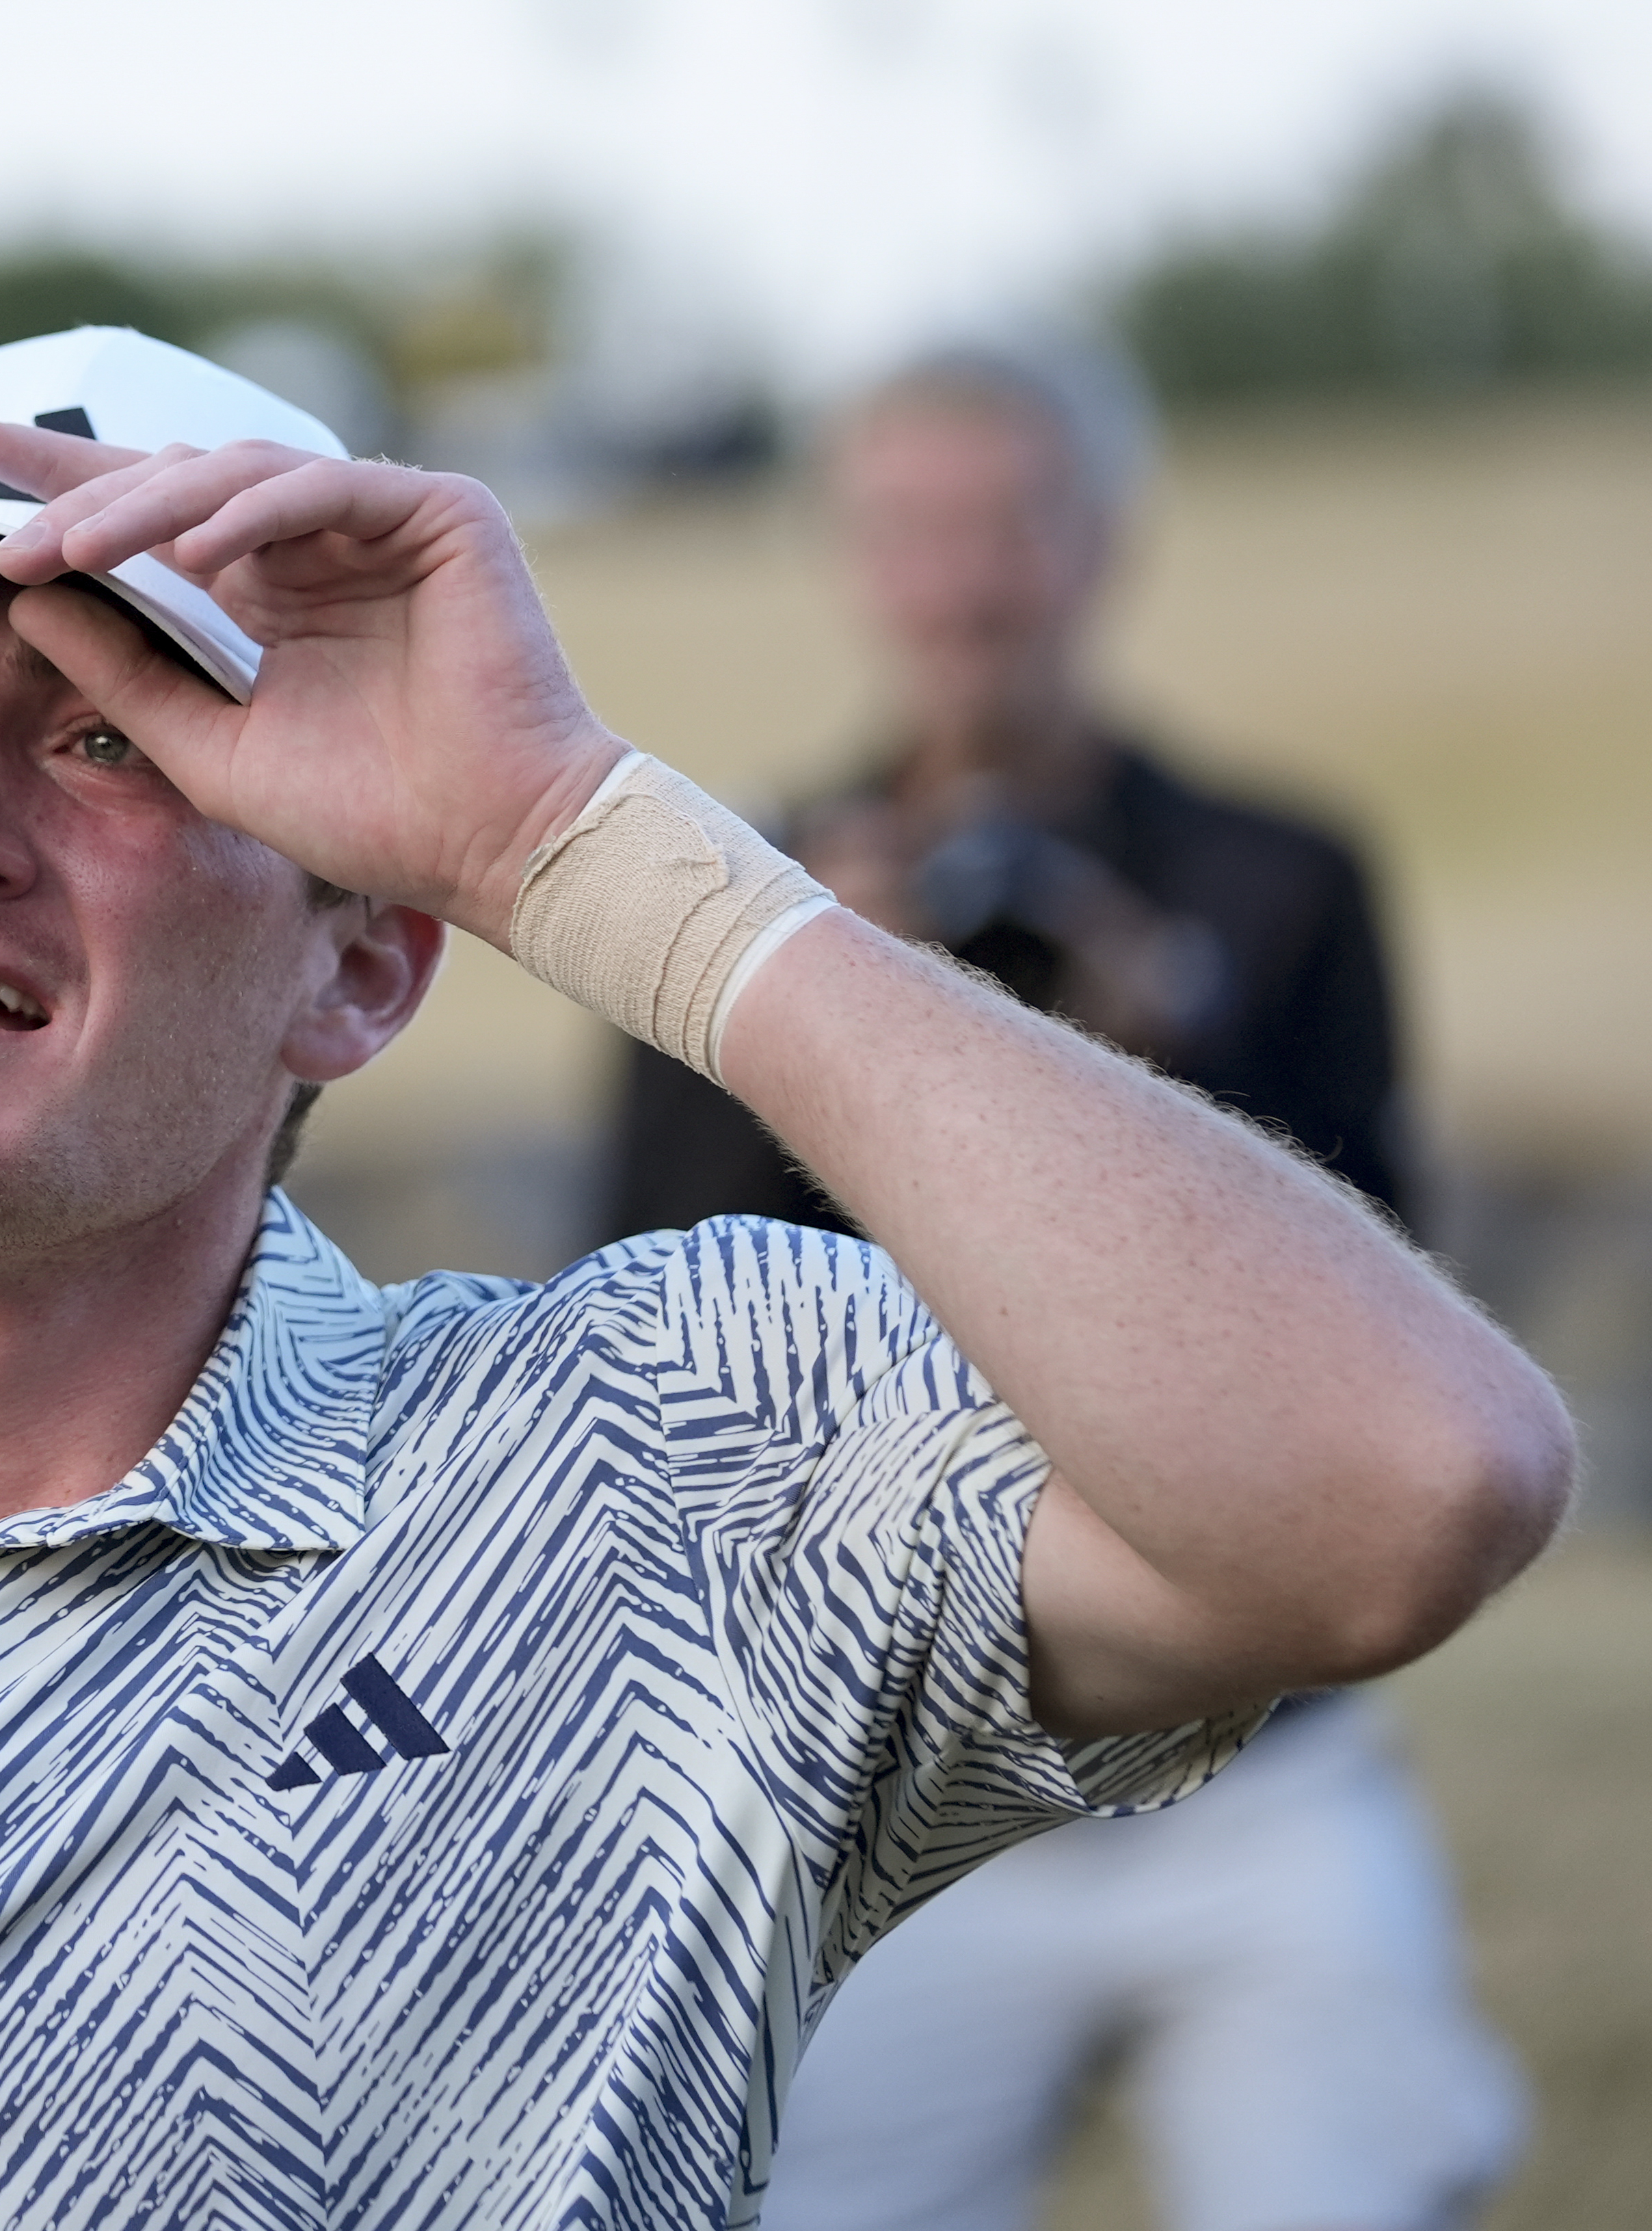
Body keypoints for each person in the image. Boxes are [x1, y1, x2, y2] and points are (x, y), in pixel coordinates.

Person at [0, 326, 1571, 2228]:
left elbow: (1390, 1484)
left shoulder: (661, 1469)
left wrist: (562, 833)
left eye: (111, 738)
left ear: (360, 962)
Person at [596, 344, 1526, 2231]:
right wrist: (807, 1009)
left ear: (1101, 542)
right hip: (892, 1782)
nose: (964, 579)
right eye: (913, 528)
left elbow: (1387, 1302)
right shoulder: (735, 890)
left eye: (1009, 519)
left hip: (1263, 1758)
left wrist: (1148, 1062)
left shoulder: (1274, 879)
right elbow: (643, 1303)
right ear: (849, 558)